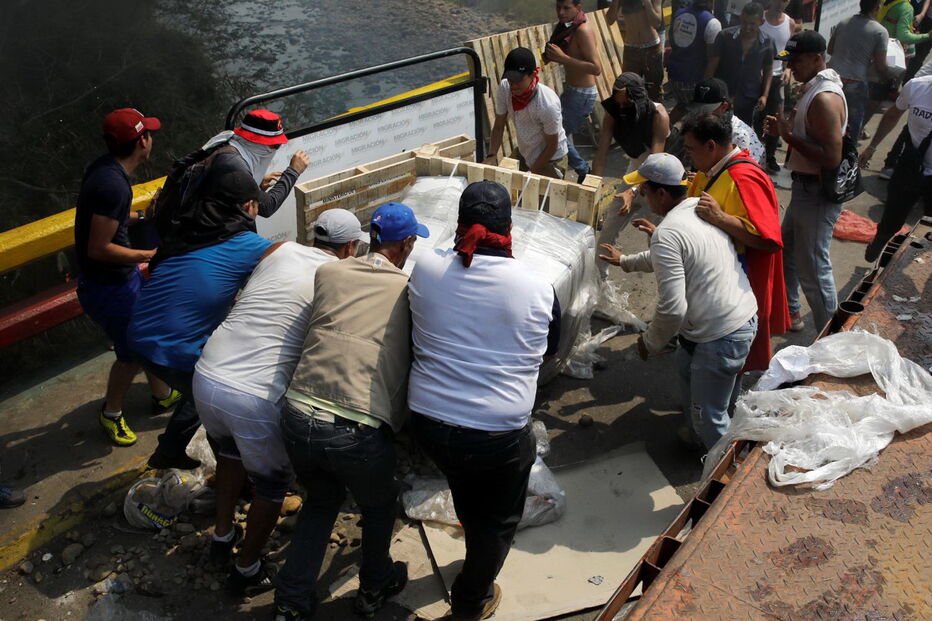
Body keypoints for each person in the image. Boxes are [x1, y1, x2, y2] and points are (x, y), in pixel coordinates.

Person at [191, 209, 367, 595]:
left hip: (207, 372)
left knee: (229, 455)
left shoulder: (280, 250)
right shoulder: (337, 276)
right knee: (272, 485)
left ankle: (222, 537)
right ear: (350, 247)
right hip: (253, 394)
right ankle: (247, 568)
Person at [407, 182, 560, 621]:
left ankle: (474, 536)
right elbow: (548, 349)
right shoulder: (538, 287)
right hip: (497, 435)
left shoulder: (426, 269)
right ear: (510, 228)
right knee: (497, 520)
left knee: (467, 489)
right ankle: (471, 599)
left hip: (429, 424)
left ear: (459, 226)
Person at [272, 203, 429, 621]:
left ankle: (291, 599)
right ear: (407, 244)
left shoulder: (329, 272)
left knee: (321, 499)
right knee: (379, 504)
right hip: (354, 426)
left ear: (369, 239)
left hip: (296, 411)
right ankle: (374, 585)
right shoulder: (408, 289)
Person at [598, 153, 758, 450]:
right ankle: (709, 436)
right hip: (740, 318)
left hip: (720, 333)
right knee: (694, 376)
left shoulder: (669, 233)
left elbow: (673, 309)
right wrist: (627, 261)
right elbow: (674, 257)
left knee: (709, 417)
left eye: (644, 192)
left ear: (661, 192)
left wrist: (650, 341)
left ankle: (726, 470)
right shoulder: (698, 208)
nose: (643, 199)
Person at [127, 170, 275, 470]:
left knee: (196, 394)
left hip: (142, 328)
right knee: (208, 394)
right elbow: (291, 259)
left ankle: (173, 450)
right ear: (249, 207)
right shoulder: (246, 244)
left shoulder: (196, 228)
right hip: (168, 343)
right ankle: (230, 468)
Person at [73, 108, 180, 447]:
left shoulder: (106, 171)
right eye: (148, 133)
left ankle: (161, 393)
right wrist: (148, 256)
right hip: (109, 285)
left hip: (117, 280)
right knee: (130, 352)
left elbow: (108, 221)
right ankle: (111, 414)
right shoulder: (113, 186)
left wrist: (138, 218)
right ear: (141, 142)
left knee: (145, 333)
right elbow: (99, 247)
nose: (151, 138)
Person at [681, 113, 789, 372]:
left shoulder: (743, 178)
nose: (688, 157)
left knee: (728, 365)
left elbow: (769, 241)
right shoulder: (710, 169)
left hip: (739, 285)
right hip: (714, 281)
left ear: (711, 146)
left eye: (690, 150)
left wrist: (720, 217)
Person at [765, 31, 847, 332]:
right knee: (787, 252)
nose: (791, 68)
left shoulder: (824, 98)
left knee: (814, 270)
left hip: (815, 193)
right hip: (804, 190)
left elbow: (831, 157)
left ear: (816, 58)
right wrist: (787, 132)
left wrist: (788, 136)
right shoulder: (814, 87)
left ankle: (834, 339)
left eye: (796, 61)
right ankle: (792, 313)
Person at [155, 110, 310, 262]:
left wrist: (256, 187)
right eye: (275, 146)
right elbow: (268, 206)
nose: (276, 149)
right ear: (258, 144)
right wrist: (293, 171)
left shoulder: (228, 146)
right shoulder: (233, 166)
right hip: (197, 242)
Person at [591, 73, 670, 279]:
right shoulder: (614, 113)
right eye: (619, 105)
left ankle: (668, 291)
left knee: (657, 241)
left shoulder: (658, 116)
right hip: (634, 170)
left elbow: (654, 166)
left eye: (627, 105)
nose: (622, 110)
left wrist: (633, 192)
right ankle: (600, 286)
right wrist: (593, 192)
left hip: (660, 180)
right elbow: (600, 157)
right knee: (607, 231)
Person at [860, 72, 932, 260]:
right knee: (892, 217)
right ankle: (881, 238)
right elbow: (892, 116)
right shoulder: (917, 87)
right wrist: (872, 147)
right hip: (910, 165)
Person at [485, 47, 569, 179]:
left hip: (550, 159)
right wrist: (491, 155)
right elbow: (499, 126)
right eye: (510, 80)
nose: (513, 85)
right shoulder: (505, 88)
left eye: (518, 80)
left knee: (538, 198)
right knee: (505, 187)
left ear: (533, 75)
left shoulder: (547, 104)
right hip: (526, 153)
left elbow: (552, 146)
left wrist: (531, 173)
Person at [543, 0, 602, 182]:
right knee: (555, 132)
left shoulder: (582, 31)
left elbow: (596, 68)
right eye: (558, 8)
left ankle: (583, 170)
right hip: (570, 91)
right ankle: (574, 169)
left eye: (566, 8)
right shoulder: (565, 28)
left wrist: (563, 58)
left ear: (578, 7)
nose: (561, 13)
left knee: (556, 134)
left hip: (581, 95)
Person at [827, 0, 889, 144]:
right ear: (877, 8)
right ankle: (847, 158)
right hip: (856, 82)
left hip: (833, 78)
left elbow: (830, 49)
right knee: (853, 125)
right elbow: (881, 65)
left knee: (827, 118)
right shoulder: (880, 31)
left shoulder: (843, 23)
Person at [706, 2, 776, 129]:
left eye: (752, 24)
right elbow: (712, 65)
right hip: (723, 98)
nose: (747, 27)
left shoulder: (768, 42)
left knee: (744, 133)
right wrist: (707, 90)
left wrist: (764, 95)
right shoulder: (724, 37)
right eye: (744, 22)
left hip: (749, 99)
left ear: (761, 22)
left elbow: (768, 69)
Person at [667, 0, 723, 123]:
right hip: (692, 78)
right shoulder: (712, 23)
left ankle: (665, 132)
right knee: (693, 112)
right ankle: (665, 134)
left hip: (674, 74)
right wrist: (707, 85)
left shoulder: (679, 13)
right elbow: (712, 58)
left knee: (682, 106)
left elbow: (671, 40)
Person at [689, 78, 766, 165]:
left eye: (707, 111)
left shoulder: (739, 136)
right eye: (698, 110)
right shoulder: (707, 125)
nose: (701, 115)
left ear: (724, 107)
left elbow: (740, 170)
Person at [760, 0, 796, 171]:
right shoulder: (759, 18)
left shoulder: (790, 23)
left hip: (776, 78)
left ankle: (770, 155)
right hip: (755, 77)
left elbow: (788, 50)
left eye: (786, 0)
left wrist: (787, 69)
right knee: (755, 118)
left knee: (776, 118)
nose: (782, 3)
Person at [606, 0, 665, 99]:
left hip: (651, 48)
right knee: (630, 89)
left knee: (654, 90)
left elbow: (656, 23)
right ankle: (637, 112)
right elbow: (609, 20)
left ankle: (655, 113)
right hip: (631, 49)